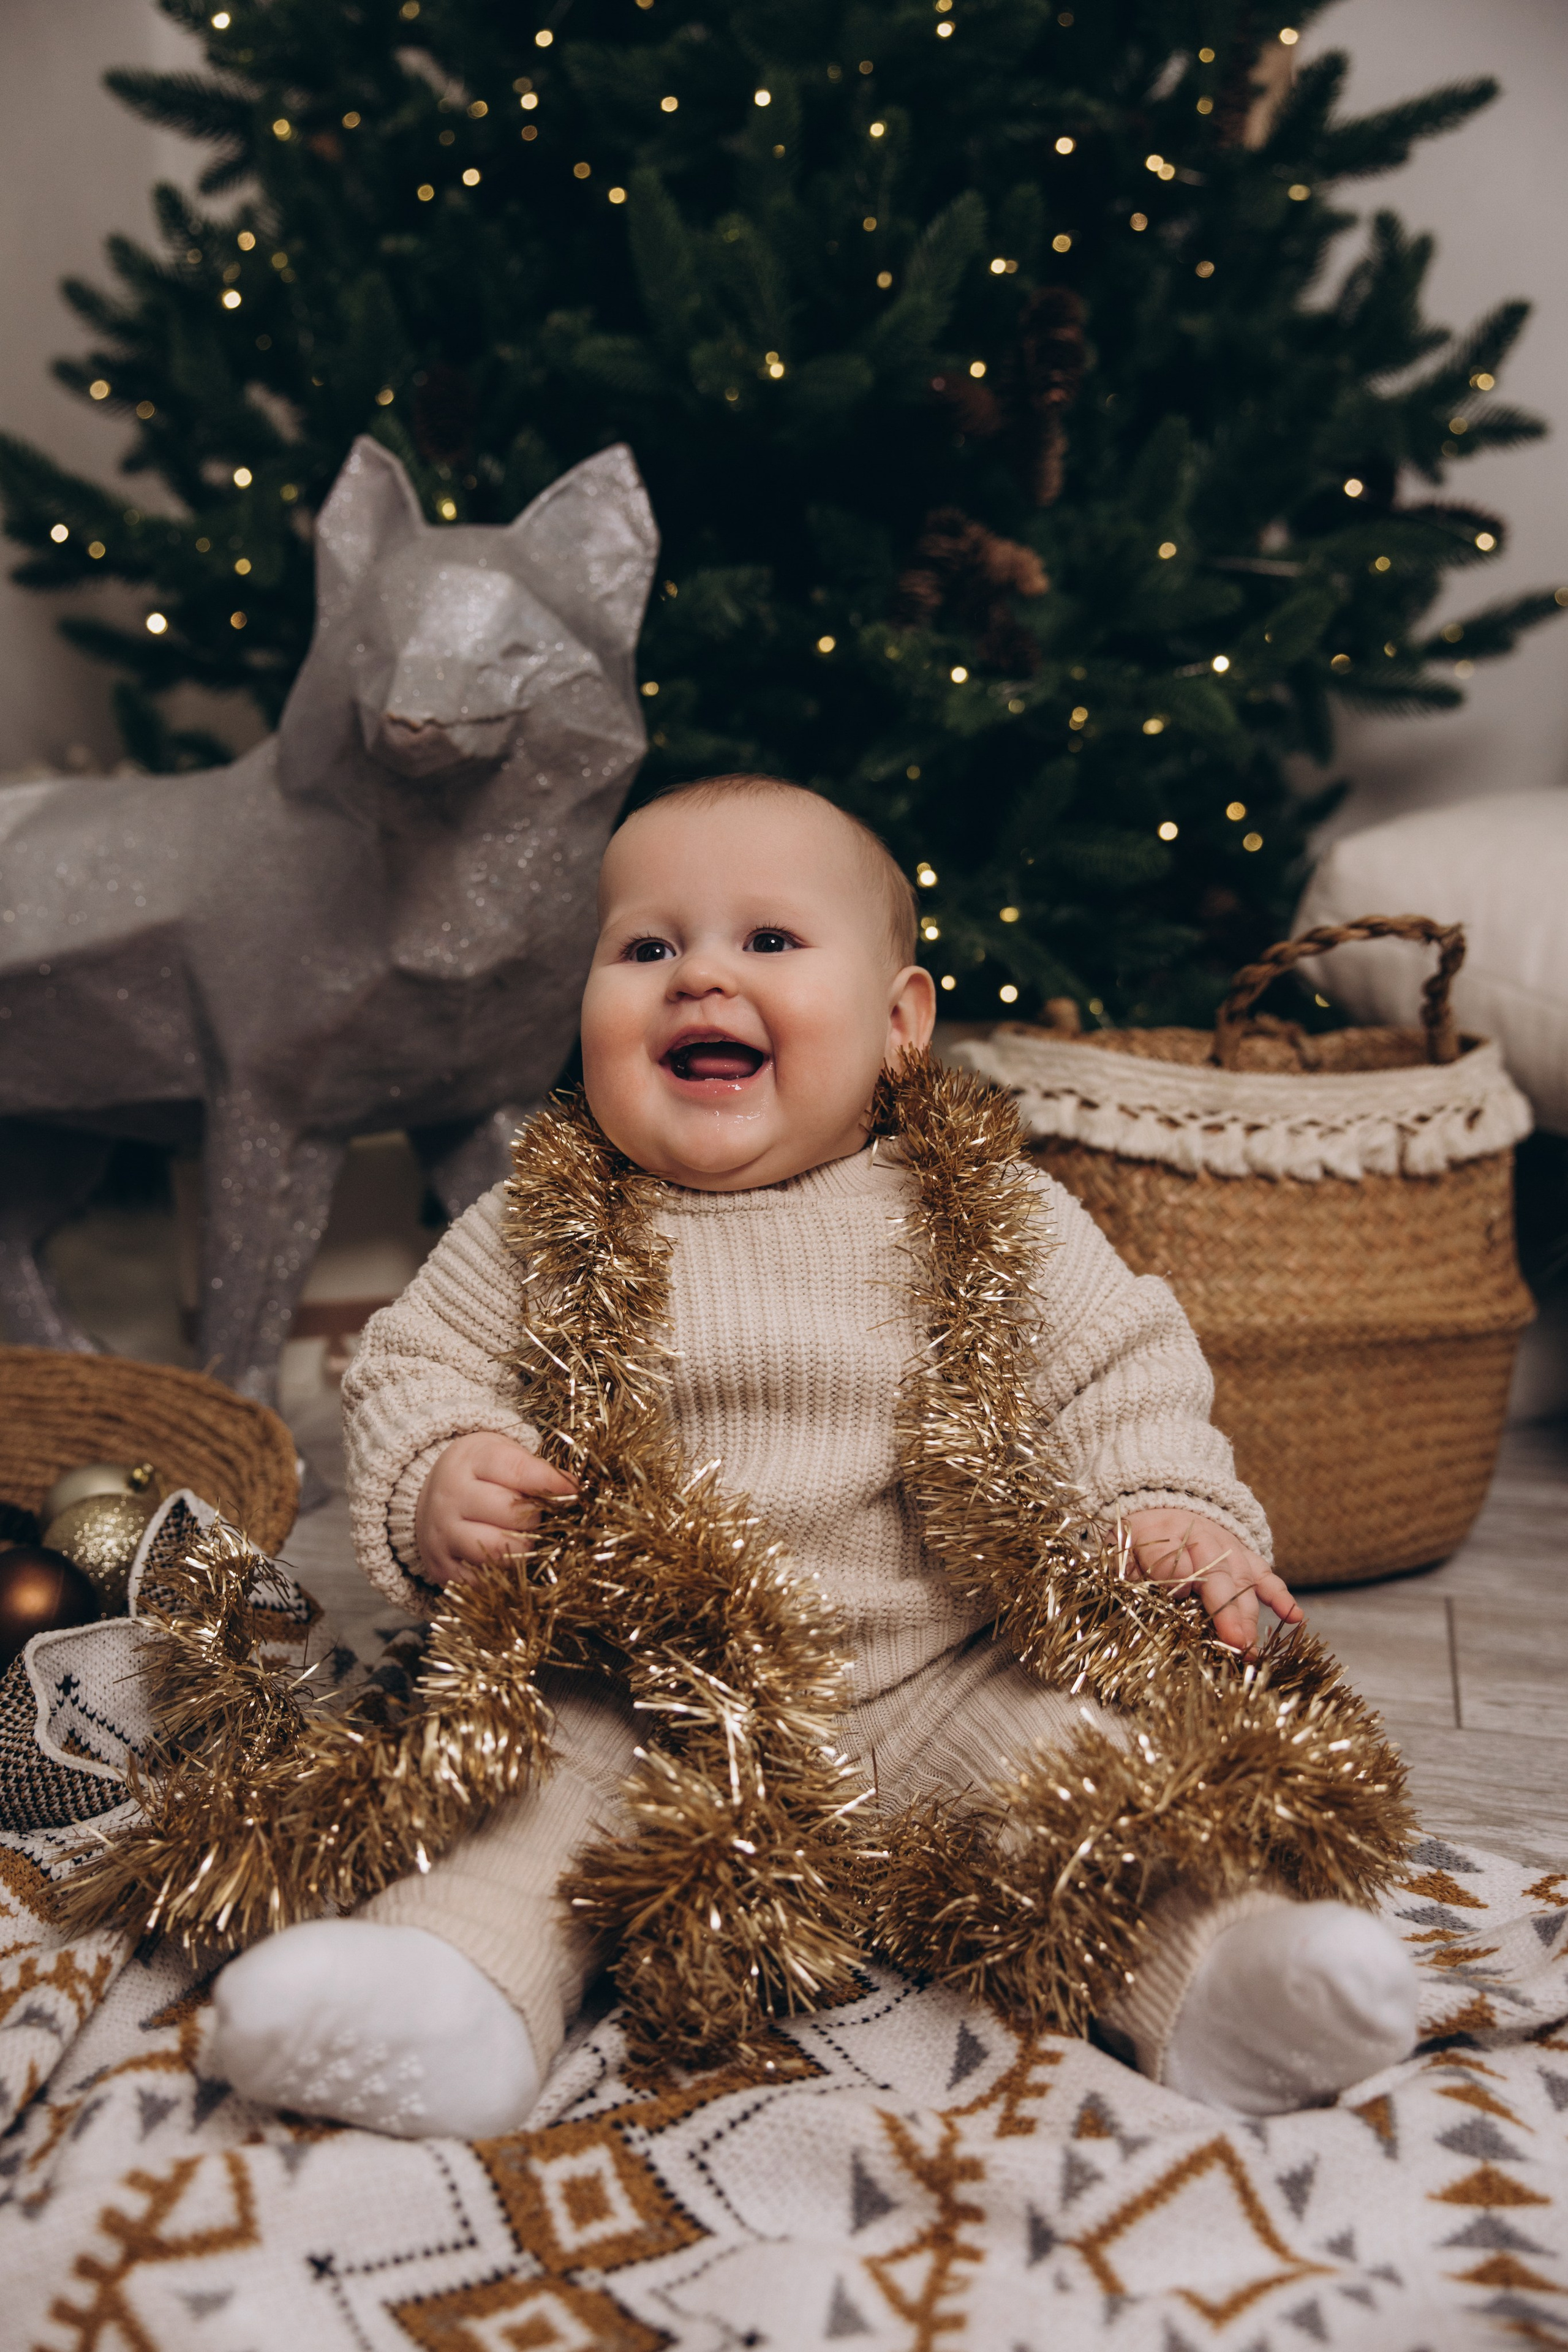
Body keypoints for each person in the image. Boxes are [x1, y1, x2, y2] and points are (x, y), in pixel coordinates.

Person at [210, 775, 1417, 2138]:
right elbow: (413, 1363)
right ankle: (443, 1996)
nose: (699, 977)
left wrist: (1162, 1508)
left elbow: (1118, 1372)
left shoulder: (987, 1214)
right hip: (637, 1687)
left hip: (944, 1668)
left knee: (1086, 1785)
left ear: (900, 1025)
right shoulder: (535, 1223)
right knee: (522, 1806)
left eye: (768, 943)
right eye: (646, 949)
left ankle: (1226, 1991)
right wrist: (439, 1470)